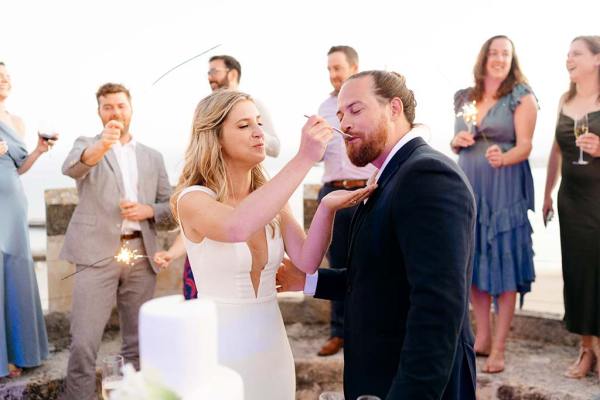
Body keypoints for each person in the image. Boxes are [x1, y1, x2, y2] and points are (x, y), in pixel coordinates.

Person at [277, 70, 477, 400]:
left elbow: (438, 306)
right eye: (340, 115)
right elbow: (381, 278)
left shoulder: (427, 174)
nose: (345, 125)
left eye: (356, 110)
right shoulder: (391, 176)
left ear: (394, 108)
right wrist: (306, 281)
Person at [172, 89, 375, 399]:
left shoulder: (270, 199)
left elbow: (306, 261)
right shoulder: (193, 199)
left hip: (272, 344)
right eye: (244, 126)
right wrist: (305, 157)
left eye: (259, 123)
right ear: (215, 137)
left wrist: (326, 209)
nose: (259, 133)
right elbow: (237, 226)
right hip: (218, 346)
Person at [60, 83, 172, 399]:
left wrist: (147, 209)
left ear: (131, 109)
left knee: (138, 342)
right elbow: (71, 167)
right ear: (99, 112)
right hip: (95, 254)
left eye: (121, 106)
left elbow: (171, 208)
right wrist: (103, 146)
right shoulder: (87, 145)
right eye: (107, 107)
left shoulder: (153, 156)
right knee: (83, 341)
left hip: (140, 252)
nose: (115, 112)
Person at [155, 54, 281, 299]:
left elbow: (273, 145)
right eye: (244, 125)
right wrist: (173, 251)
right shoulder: (195, 192)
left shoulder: (255, 105)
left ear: (232, 74)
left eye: (214, 71)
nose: (210, 78)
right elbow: (196, 218)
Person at [450, 35, 538, 374]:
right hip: (469, 182)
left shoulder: (522, 96)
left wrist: (506, 156)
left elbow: (526, 145)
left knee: (503, 265)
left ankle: (499, 347)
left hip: (504, 187)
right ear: (484, 57)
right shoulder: (465, 97)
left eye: (506, 54)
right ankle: (482, 337)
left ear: (512, 60)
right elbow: (456, 137)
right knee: (472, 261)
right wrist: (456, 140)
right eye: (494, 52)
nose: (500, 58)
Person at [543, 35, 600, 380]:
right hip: (571, 201)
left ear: (597, 60)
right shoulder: (565, 99)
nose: (569, 58)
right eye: (567, 53)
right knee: (578, 274)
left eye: (576, 53)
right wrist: (548, 191)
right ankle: (586, 349)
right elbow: (557, 150)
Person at [314, 45, 377, 357]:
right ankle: (338, 332)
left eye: (337, 68)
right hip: (333, 192)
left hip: (366, 191)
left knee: (369, 263)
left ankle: (369, 329)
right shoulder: (324, 107)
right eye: (329, 69)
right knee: (336, 262)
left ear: (354, 67)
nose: (333, 74)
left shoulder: (369, 105)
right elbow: (318, 154)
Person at [0, 61, 52, 378]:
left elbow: (17, 167)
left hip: (14, 203)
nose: (3, 80)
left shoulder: (16, 121)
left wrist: (38, 151)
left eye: (6, 76)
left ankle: (22, 352)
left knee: (16, 270)